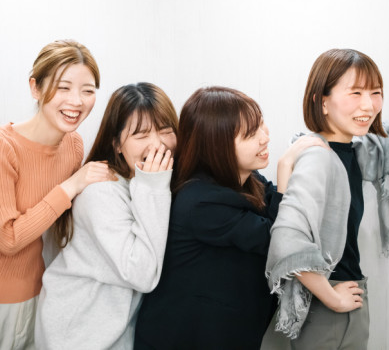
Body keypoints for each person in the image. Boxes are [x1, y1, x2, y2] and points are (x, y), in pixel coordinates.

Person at [0, 40, 115, 350]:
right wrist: (72, 185)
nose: (76, 101)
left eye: (87, 90)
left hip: (33, 295)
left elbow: (62, 222)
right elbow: (9, 239)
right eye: (63, 87)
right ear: (35, 88)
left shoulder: (73, 146)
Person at [266, 34, 389, 349]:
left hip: (348, 293)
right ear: (322, 101)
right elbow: (288, 242)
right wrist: (332, 298)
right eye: (355, 92)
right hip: (324, 302)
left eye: (375, 92)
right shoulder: (315, 155)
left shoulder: (359, 148)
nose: (368, 105)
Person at [134, 86, 324, 350]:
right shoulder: (200, 201)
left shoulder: (247, 179)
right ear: (217, 145)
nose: (264, 137)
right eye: (250, 134)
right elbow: (280, 240)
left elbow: (288, 214)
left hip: (225, 332)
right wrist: (285, 168)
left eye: (261, 124)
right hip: (182, 339)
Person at [35, 82, 179, 350]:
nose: (157, 144)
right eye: (141, 134)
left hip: (107, 332)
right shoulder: (101, 192)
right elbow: (143, 274)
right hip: (76, 333)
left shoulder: (145, 184)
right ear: (116, 145)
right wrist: (153, 186)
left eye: (165, 131)